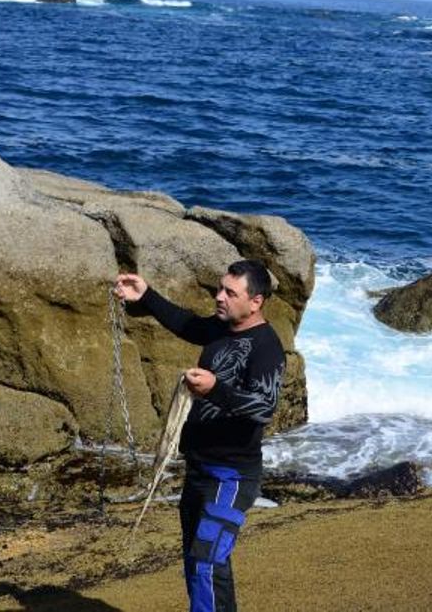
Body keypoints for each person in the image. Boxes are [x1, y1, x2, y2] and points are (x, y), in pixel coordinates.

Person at [114, 259, 285, 612]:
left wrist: (215, 389)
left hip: (232, 475)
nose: (220, 297)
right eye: (220, 289)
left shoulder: (266, 347)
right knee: (197, 560)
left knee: (208, 558)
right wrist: (146, 295)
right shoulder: (221, 329)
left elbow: (264, 409)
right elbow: (187, 324)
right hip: (199, 470)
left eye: (230, 292)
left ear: (256, 302)